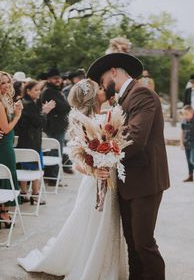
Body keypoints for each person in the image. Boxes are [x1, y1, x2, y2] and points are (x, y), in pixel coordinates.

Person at [17, 79, 128, 280]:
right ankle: (91, 266)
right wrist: (95, 172)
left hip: (110, 180)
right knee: (92, 224)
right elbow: (77, 162)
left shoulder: (109, 116)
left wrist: (111, 157)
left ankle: (107, 264)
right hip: (94, 182)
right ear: (93, 97)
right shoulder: (81, 122)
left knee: (109, 222)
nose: (105, 90)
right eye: (101, 89)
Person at [87, 52, 170, 280]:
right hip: (128, 180)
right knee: (132, 242)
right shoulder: (123, 99)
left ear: (114, 71)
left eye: (102, 79)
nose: (103, 85)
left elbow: (135, 137)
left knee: (144, 243)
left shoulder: (141, 93)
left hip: (145, 179)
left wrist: (101, 157)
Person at [17, 81, 55, 204]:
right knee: (36, 169)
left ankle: (24, 193)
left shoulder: (27, 102)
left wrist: (42, 111)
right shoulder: (28, 104)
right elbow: (39, 123)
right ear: (28, 91)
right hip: (32, 142)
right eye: (36, 90)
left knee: (25, 167)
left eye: (39, 89)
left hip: (25, 141)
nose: (39, 92)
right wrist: (45, 112)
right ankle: (35, 195)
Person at [0, 71, 23, 228]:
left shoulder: (5, 100)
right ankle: (4, 212)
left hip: (5, 142)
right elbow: (6, 128)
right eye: (2, 83)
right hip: (4, 145)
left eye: (8, 81)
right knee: (6, 174)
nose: (7, 85)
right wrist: (17, 115)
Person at [40, 68, 72, 181]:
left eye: (59, 78)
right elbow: (59, 107)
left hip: (59, 125)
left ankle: (52, 176)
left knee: (57, 150)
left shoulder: (56, 90)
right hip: (54, 126)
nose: (58, 80)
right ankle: (52, 177)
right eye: (55, 78)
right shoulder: (49, 91)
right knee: (55, 151)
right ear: (49, 79)